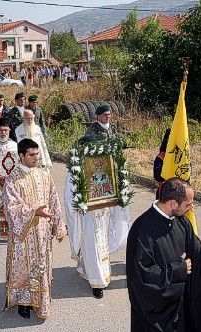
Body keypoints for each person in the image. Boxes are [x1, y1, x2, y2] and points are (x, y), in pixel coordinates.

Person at [126, 177, 201, 331]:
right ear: (173, 204)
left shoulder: (182, 222)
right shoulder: (141, 230)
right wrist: (178, 269)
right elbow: (141, 277)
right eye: (188, 204)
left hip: (180, 313)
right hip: (154, 320)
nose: (191, 207)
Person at [64, 103, 131, 299]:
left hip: (107, 199)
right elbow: (77, 178)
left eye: (110, 115)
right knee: (94, 238)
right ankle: (97, 281)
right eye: (104, 115)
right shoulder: (87, 142)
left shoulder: (113, 136)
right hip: (92, 201)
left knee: (102, 239)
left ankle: (90, 266)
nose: (107, 118)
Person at [2, 138, 67, 319]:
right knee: (23, 267)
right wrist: (34, 212)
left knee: (41, 266)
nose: (36, 158)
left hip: (42, 232)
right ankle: (24, 302)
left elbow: (54, 200)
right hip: (23, 234)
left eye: (37, 154)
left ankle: (41, 301)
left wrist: (58, 224)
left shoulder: (44, 174)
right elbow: (10, 207)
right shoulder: (12, 179)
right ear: (21, 156)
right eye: (31, 154)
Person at [153, 129, 171, 199]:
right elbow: (158, 176)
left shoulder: (183, 157)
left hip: (180, 196)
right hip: (164, 195)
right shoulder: (161, 156)